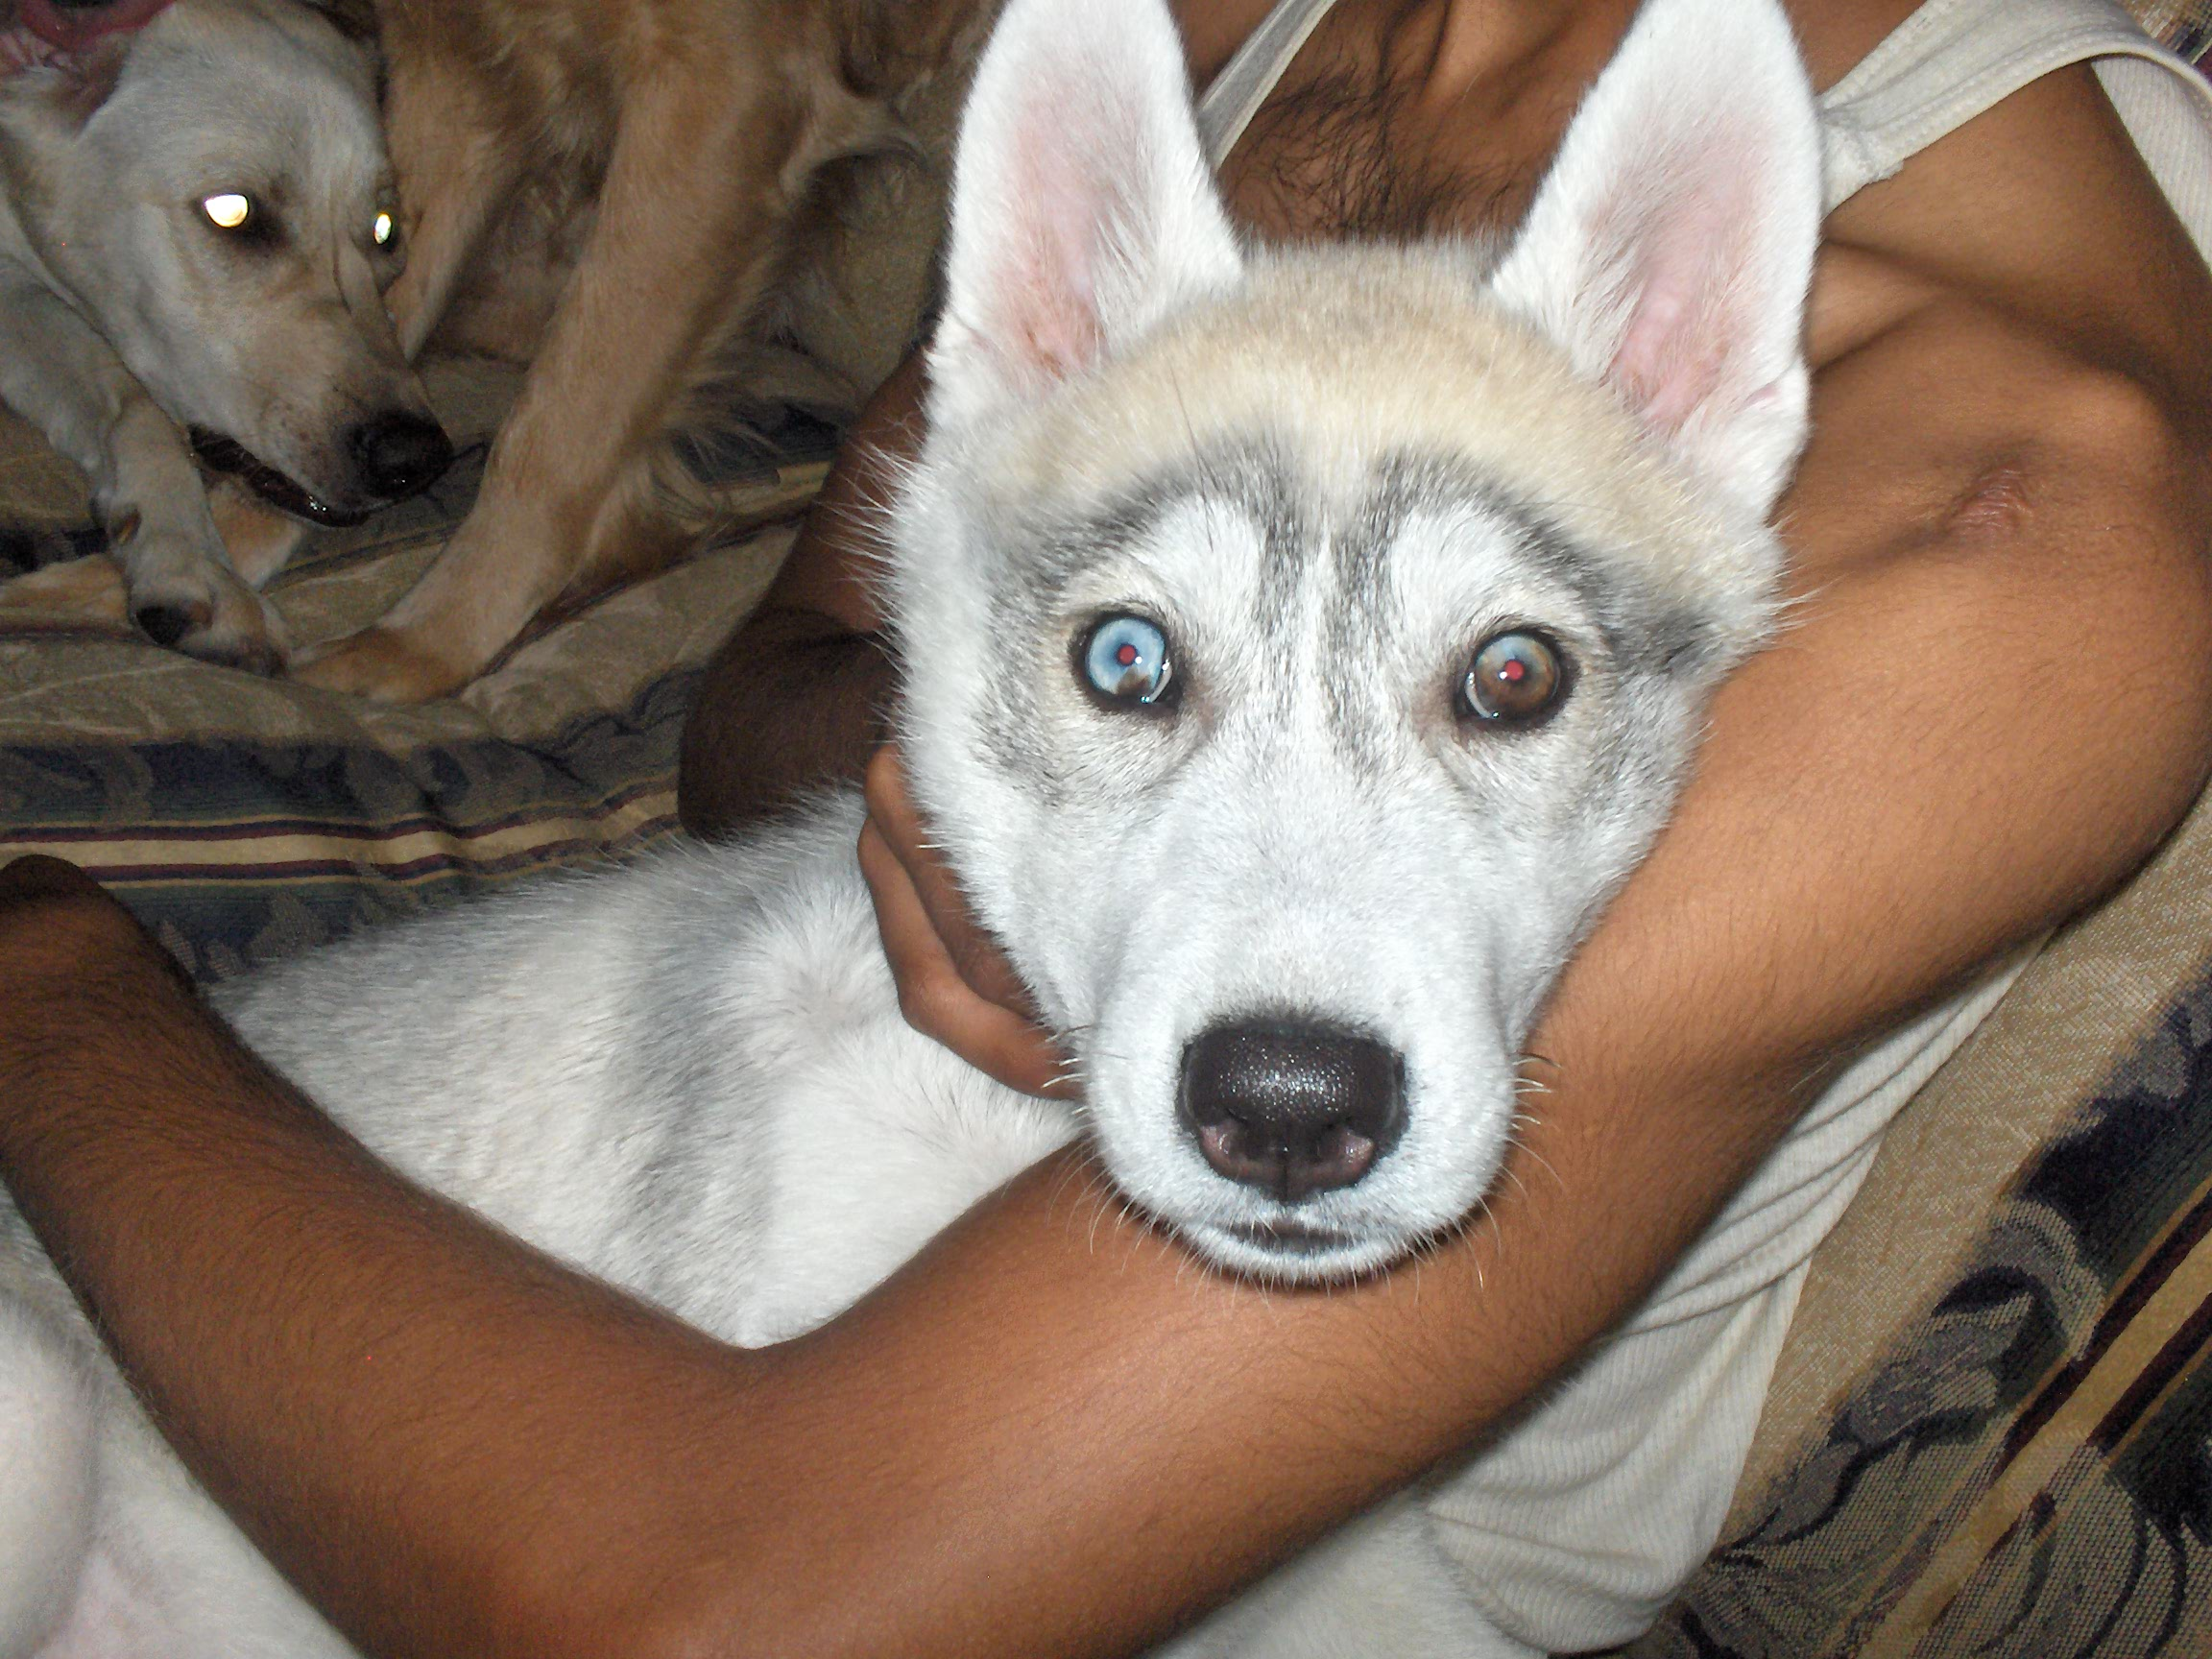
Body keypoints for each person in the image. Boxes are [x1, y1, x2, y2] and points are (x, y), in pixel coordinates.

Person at [3, 0, 2210, 1654]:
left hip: (1263, 1529)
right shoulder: (1234, 29)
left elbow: (724, 1609)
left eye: (1510, 683)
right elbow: (787, 683)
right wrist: (1001, 799)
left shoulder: (2042, 485)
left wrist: (57, 985)